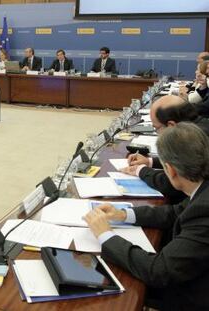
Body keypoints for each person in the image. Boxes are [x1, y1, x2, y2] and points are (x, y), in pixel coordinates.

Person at [84, 122, 209, 311]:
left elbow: (159, 271)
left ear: (170, 170)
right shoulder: (202, 189)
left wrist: (106, 235)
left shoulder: (204, 209)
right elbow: (175, 212)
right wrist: (123, 214)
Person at [121, 95, 209, 204]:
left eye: (157, 128)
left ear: (171, 125)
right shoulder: (200, 125)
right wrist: (150, 161)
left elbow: (173, 183)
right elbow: (183, 161)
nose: (157, 133)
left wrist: (141, 171)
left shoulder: (193, 138)